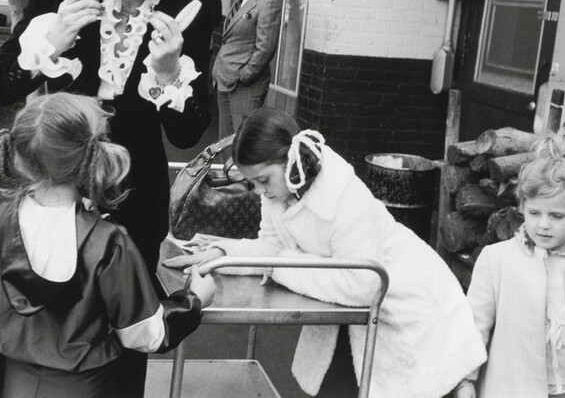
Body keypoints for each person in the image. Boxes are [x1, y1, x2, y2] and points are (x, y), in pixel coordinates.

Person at [0, 0, 215, 396]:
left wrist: (166, 75)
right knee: (40, 320)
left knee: (128, 334)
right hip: (53, 186)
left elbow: (187, 135)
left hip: (136, 200)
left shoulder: (192, 10)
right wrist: (50, 43)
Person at [164, 107, 487, 398]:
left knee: (412, 384)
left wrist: (282, 265)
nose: (259, 192)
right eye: (252, 184)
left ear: (289, 160)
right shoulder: (282, 188)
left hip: (409, 302)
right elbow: (271, 247)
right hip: (355, 309)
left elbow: (364, 284)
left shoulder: (344, 196)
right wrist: (222, 255)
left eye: (263, 180)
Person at [0, 92, 215, 398]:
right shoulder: (108, 243)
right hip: (84, 387)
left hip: (14, 382)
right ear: (92, 157)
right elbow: (145, 334)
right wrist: (193, 300)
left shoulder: (3, 219)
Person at [456, 136, 565, 398]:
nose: (543, 224)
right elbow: (474, 327)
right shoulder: (497, 260)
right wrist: (466, 381)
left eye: (556, 216)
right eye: (534, 213)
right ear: (522, 207)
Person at [211, 0, 280, 141]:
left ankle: (239, 172)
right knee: (224, 140)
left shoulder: (267, 4)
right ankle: (227, 171)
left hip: (244, 85)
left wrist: (245, 76)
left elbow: (265, 47)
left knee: (242, 139)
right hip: (225, 79)